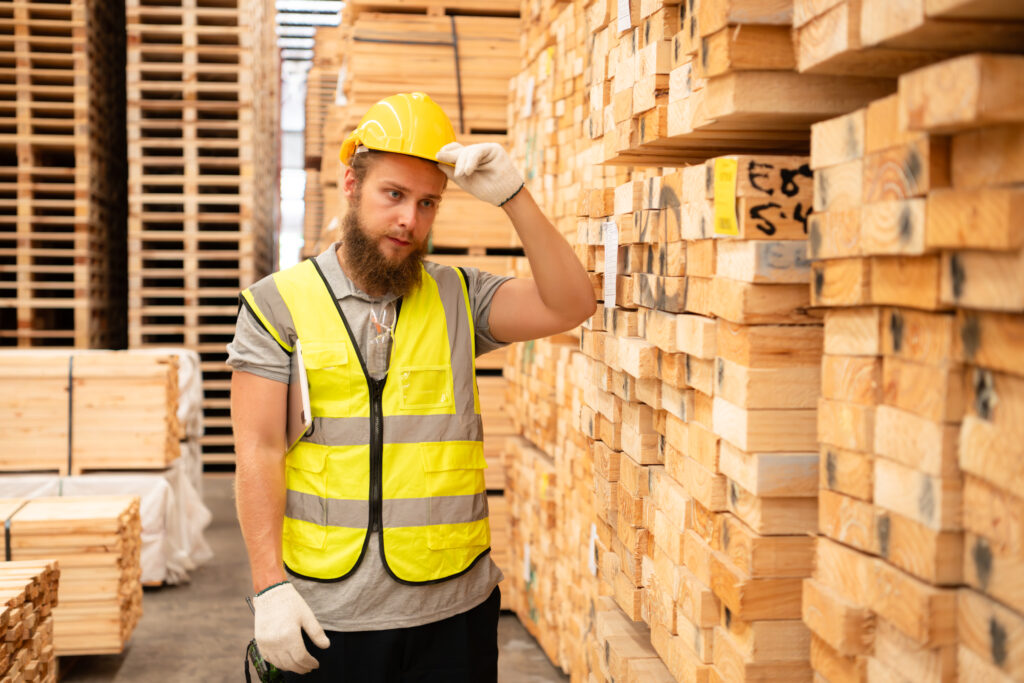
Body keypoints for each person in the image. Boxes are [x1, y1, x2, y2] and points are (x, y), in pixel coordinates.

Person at [228, 91, 595, 681]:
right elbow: (259, 449)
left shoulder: (459, 297)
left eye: (428, 203)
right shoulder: (278, 305)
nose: (410, 220)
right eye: (393, 195)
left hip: (453, 614)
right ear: (351, 184)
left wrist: (514, 199)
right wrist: (268, 586)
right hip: (329, 617)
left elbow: (571, 303)